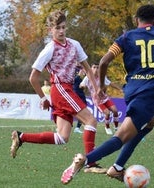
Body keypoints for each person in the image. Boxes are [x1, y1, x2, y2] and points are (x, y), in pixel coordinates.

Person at [61, 4, 154, 184]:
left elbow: (104, 60)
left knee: (150, 123)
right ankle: (85, 160)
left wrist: (100, 87)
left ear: (138, 19)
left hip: (132, 91)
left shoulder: (126, 37)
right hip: (150, 93)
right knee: (122, 136)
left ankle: (117, 168)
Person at [10, 10, 107, 174]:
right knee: (90, 121)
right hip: (61, 88)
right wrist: (43, 98)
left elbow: (88, 69)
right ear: (50, 30)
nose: (61, 31)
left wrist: (96, 88)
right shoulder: (49, 49)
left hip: (66, 89)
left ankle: (21, 137)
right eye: (57, 28)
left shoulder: (75, 45)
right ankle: (91, 163)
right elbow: (33, 78)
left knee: (62, 138)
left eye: (63, 27)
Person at [80, 62, 122, 135]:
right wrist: (82, 86)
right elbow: (82, 84)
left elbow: (110, 83)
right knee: (107, 113)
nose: (96, 69)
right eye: (94, 67)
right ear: (91, 69)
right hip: (97, 101)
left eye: (97, 67)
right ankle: (107, 127)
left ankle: (116, 127)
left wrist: (120, 89)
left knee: (115, 111)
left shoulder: (102, 77)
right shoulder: (88, 78)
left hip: (105, 98)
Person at [73, 66, 87, 134]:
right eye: (82, 71)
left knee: (82, 113)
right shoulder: (76, 78)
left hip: (81, 97)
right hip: (78, 98)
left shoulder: (81, 79)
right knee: (79, 113)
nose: (83, 72)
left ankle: (77, 128)